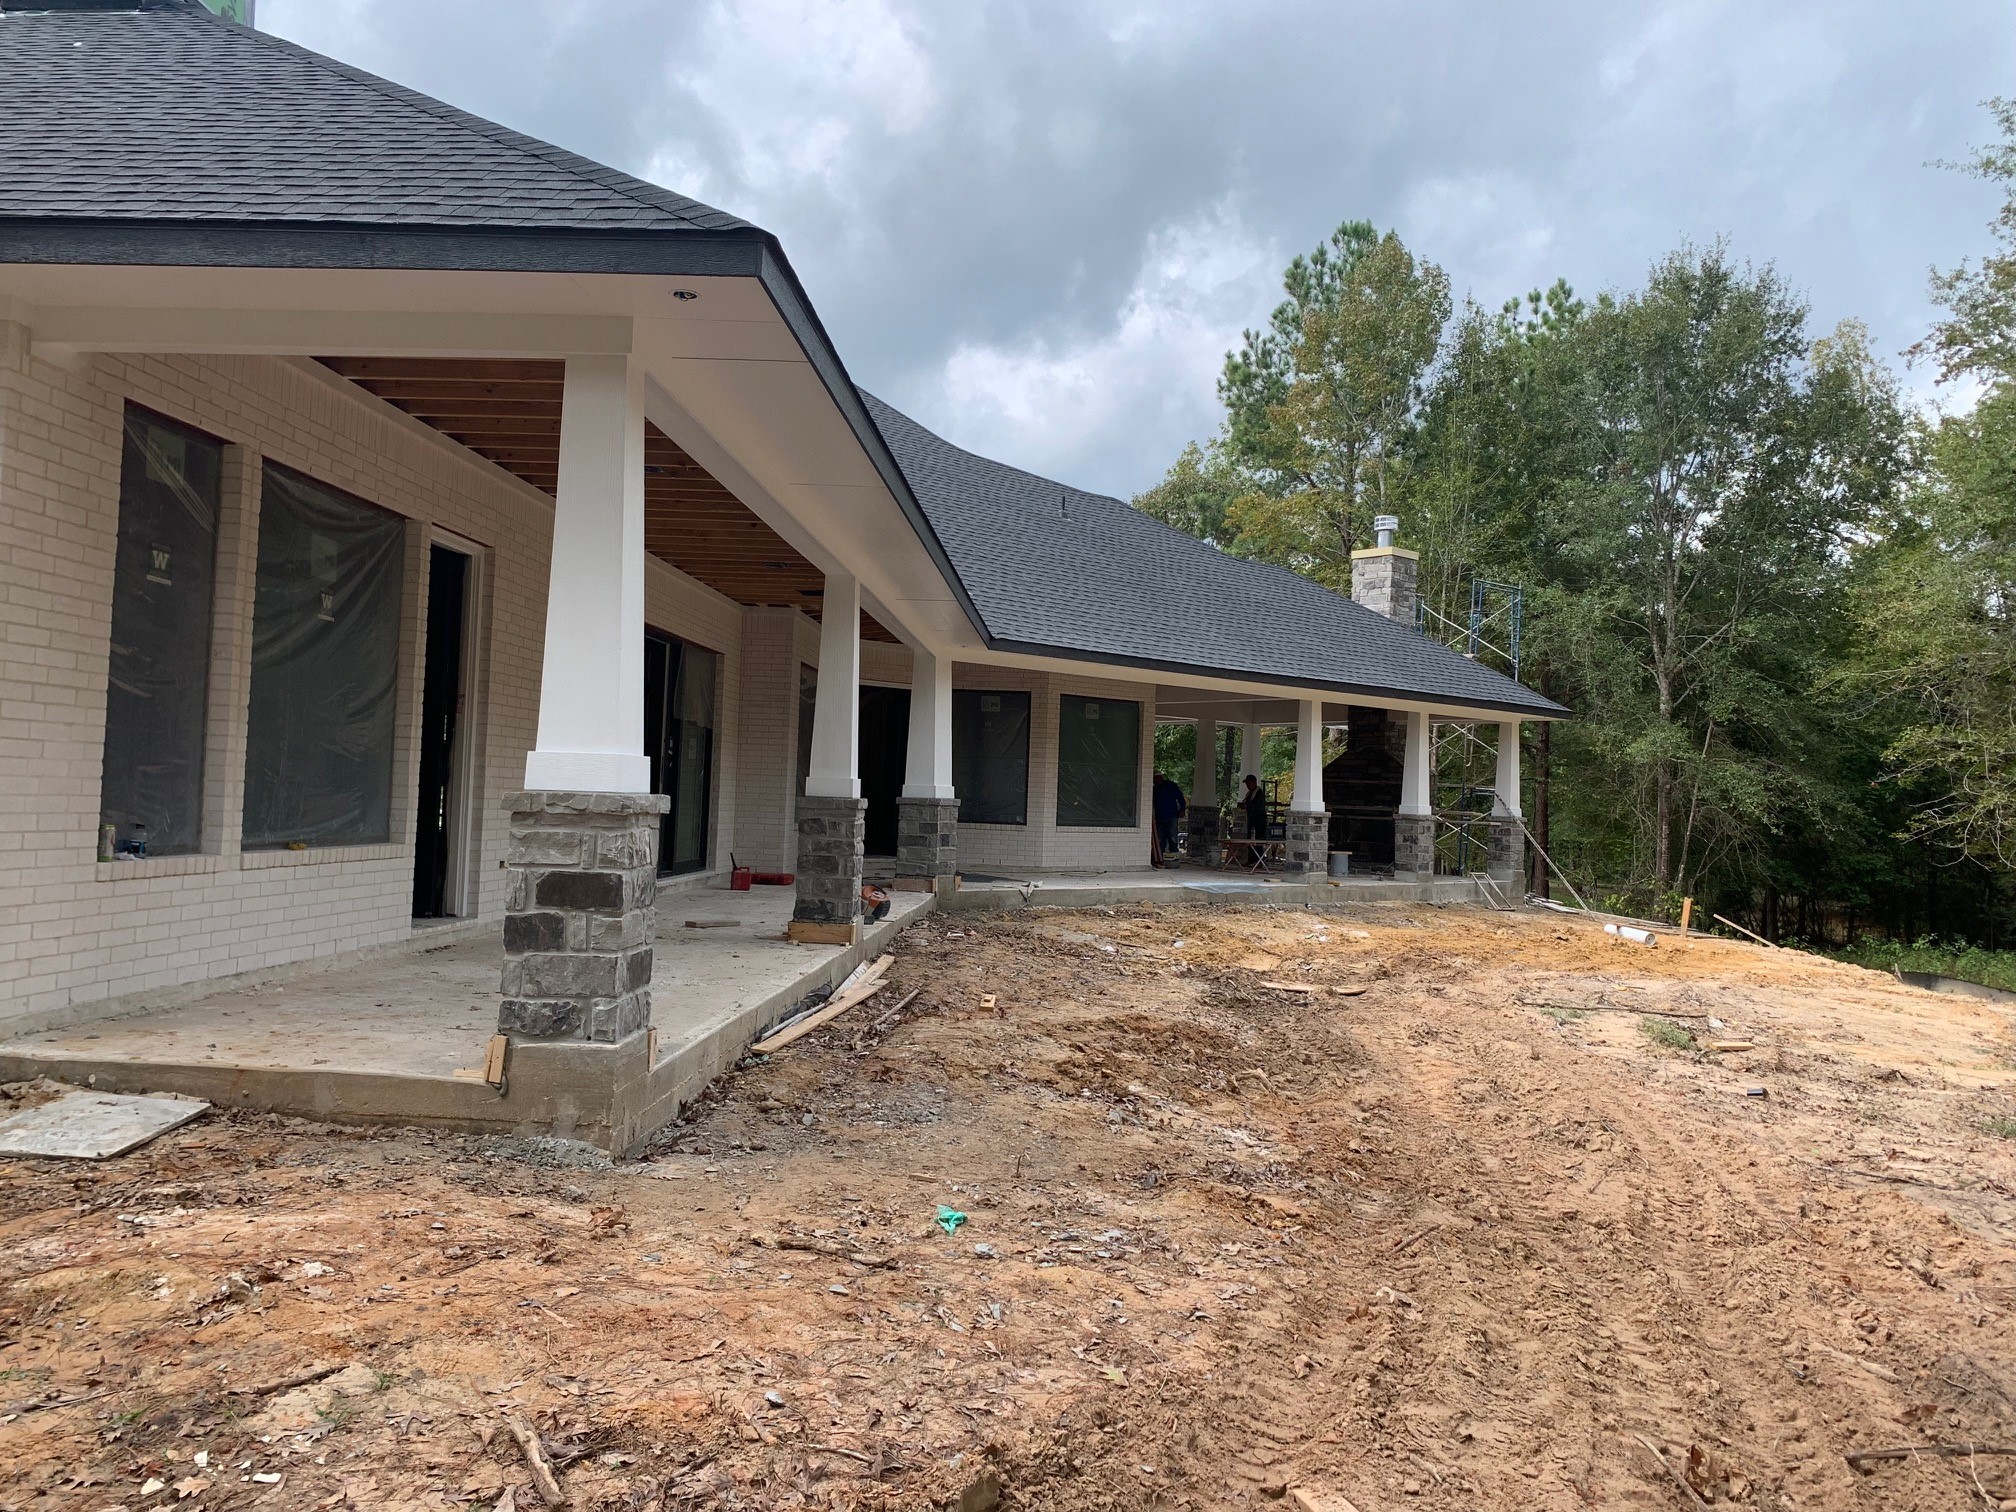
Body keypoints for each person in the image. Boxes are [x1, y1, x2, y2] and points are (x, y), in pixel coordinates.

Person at [1151, 771, 1187, 867]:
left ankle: (1173, 859)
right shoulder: (1154, 789)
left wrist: (1182, 809)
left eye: (1156, 779)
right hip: (1159, 817)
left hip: (1171, 816)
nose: (1155, 781)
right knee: (1161, 838)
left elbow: (1180, 797)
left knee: (1172, 837)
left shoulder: (1170, 786)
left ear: (1160, 778)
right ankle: (1161, 858)